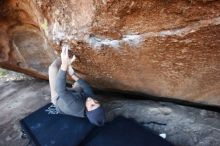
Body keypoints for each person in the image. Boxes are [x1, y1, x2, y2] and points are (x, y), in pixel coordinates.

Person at [48, 44, 105, 126]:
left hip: (58, 98)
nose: (92, 100)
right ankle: (67, 62)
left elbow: (60, 90)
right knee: (79, 83)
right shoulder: (91, 101)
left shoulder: (76, 106)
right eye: (96, 102)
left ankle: (64, 57)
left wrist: (64, 64)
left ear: (87, 110)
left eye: (92, 105)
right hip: (75, 95)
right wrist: (72, 74)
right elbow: (87, 88)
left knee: (53, 68)